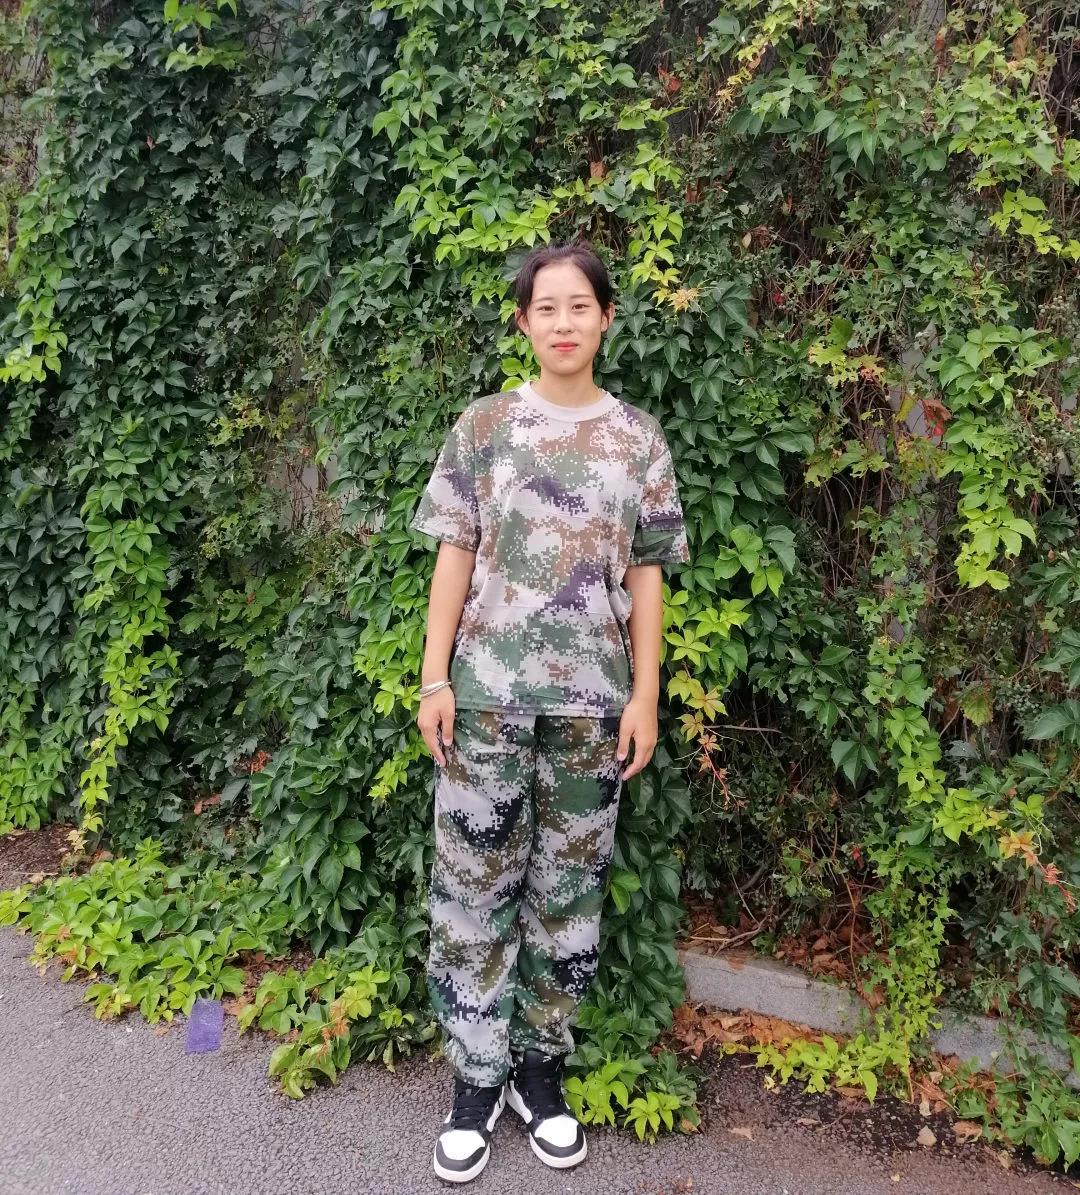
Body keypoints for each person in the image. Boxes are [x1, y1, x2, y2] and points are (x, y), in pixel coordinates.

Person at [409, 240, 690, 1184]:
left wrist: (645, 693)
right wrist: (434, 678)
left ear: (606, 317)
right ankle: (475, 1079)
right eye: (546, 308)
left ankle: (539, 1070)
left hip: (591, 707)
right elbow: (455, 549)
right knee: (473, 889)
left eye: (579, 306)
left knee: (566, 897)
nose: (563, 322)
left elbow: (646, 572)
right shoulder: (485, 426)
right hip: (486, 699)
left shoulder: (638, 438)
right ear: (524, 323)